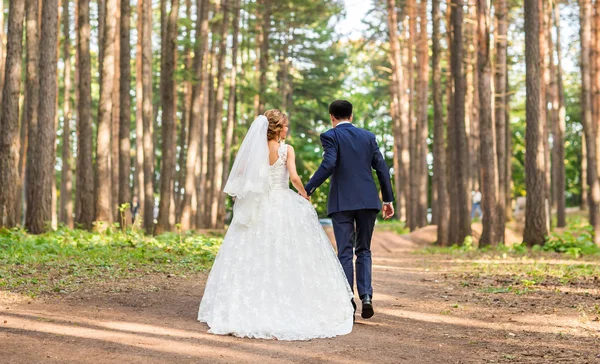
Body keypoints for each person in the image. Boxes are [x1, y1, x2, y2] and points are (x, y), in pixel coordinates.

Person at [198, 109, 354, 340]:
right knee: (287, 254)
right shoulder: (285, 149)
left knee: (252, 254)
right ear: (278, 128)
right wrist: (305, 193)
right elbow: (293, 177)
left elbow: (240, 175)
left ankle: (245, 305)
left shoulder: (254, 151)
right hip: (283, 203)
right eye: (286, 126)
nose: (287, 129)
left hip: (260, 205)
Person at [305, 100, 395, 320]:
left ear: (331, 117)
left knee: (345, 251)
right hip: (367, 201)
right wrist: (388, 199)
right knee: (363, 250)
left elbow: (329, 164)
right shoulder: (368, 137)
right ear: (351, 116)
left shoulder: (330, 136)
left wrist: (309, 188)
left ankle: (347, 301)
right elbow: (382, 168)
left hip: (342, 203)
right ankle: (366, 296)